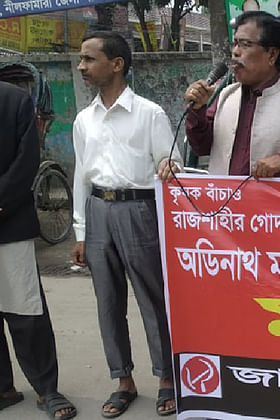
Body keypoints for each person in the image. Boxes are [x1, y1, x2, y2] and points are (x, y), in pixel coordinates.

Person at [70, 31, 181, 418]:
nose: (82, 66)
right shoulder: (84, 120)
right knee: (108, 302)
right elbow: (82, 175)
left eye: (89, 59)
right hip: (99, 210)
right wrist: (81, 231)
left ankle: (167, 377)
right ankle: (123, 381)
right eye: (82, 60)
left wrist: (169, 168)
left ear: (116, 64)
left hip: (140, 212)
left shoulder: (149, 114)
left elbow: (173, 165)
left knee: (152, 298)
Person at [0, 82, 77, 420]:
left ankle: (48, 389)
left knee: (25, 311)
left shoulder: (13, 99)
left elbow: (27, 160)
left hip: (8, 222)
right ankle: (4, 388)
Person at [185, 11, 280, 178]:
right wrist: (198, 111)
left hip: (274, 204)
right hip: (226, 202)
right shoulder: (225, 96)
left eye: (245, 44)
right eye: (235, 43)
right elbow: (201, 147)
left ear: (271, 55)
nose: (235, 52)